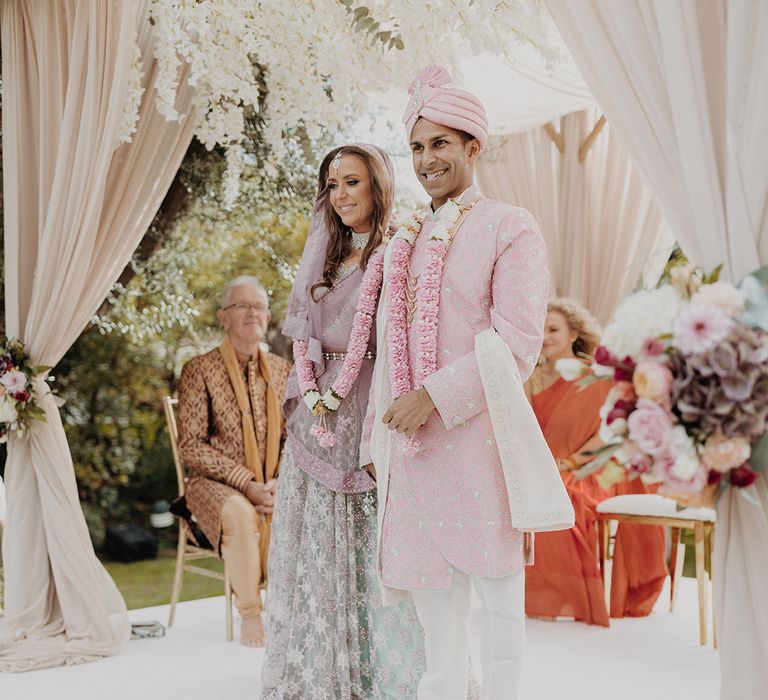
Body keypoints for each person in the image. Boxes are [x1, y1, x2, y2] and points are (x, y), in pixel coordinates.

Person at [366, 65, 567, 700]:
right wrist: (381, 437)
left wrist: (433, 396)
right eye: (418, 146)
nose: (426, 160)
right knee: (434, 610)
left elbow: (517, 343)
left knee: (500, 599)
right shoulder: (404, 237)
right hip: (414, 451)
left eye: (441, 144)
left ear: (473, 148)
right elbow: (384, 346)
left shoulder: (510, 227)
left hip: (481, 442)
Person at [262, 144, 424, 699]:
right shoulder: (325, 256)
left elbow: (398, 338)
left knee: (367, 545)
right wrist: (311, 393)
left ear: (377, 186)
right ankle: (321, 672)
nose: (341, 196)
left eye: (352, 182)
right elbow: (304, 335)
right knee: (316, 543)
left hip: (368, 404)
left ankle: (380, 674)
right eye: (333, 185)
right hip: (318, 407)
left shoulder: (399, 251)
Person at [525, 298, 667, 625]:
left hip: (589, 469)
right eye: (541, 329)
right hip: (545, 468)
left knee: (560, 496)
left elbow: (609, 434)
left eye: (554, 329)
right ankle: (531, 592)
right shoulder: (530, 379)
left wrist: (570, 465)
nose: (545, 336)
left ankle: (558, 596)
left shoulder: (597, 378)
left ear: (574, 332)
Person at [177, 277, 291, 647]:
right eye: (242, 306)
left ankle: (290, 608)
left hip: (273, 481)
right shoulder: (200, 369)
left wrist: (279, 482)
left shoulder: (283, 370)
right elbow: (190, 446)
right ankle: (252, 615)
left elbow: (297, 438)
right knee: (241, 512)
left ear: (269, 317)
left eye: (258, 306)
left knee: (302, 505)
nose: (252, 313)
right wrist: (246, 482)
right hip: (214, 485)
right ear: (223, 317)